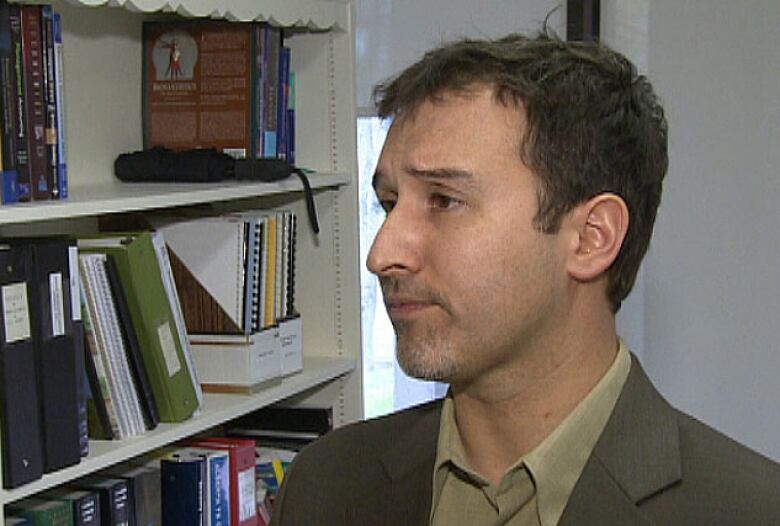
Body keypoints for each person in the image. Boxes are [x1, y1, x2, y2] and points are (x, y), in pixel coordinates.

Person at [270, 31, 780, 525]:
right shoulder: (328, 486)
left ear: (591, 237)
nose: (381, 255)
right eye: (389, 204)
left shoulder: (749, 510)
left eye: (444, 201)